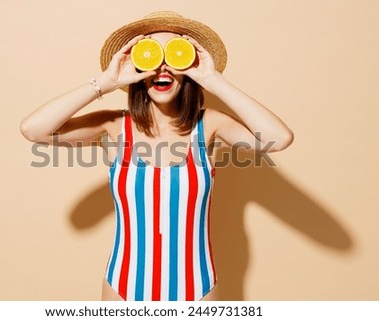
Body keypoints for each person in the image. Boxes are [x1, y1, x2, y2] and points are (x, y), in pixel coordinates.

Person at [20, 11, 294, 301]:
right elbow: (34, 130)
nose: (162, 68)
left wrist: (213, 80)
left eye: (175, 56)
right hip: (123, 288)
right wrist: (106, 81)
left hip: (198, 289)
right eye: (152, 55)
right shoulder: (113, 127)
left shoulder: (210, 125)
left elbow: (279, 138)